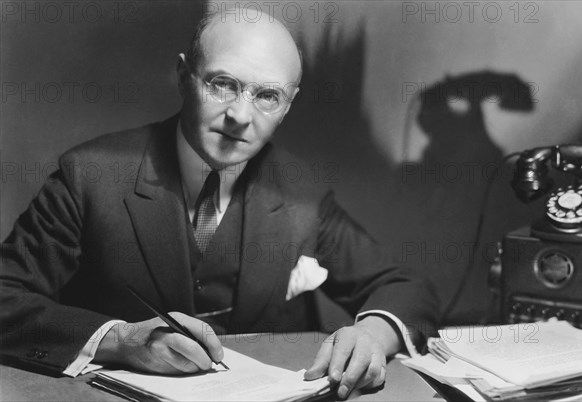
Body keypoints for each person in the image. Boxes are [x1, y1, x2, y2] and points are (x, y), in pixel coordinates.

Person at [0, 10, 439, 399]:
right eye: (223, 84)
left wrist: (372, 335)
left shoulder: (301, 192)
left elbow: (405, 286)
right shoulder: (89, 176)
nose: (241, 116)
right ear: (182, 75)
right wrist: (120, 339)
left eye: (267, 96)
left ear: (288, 105)